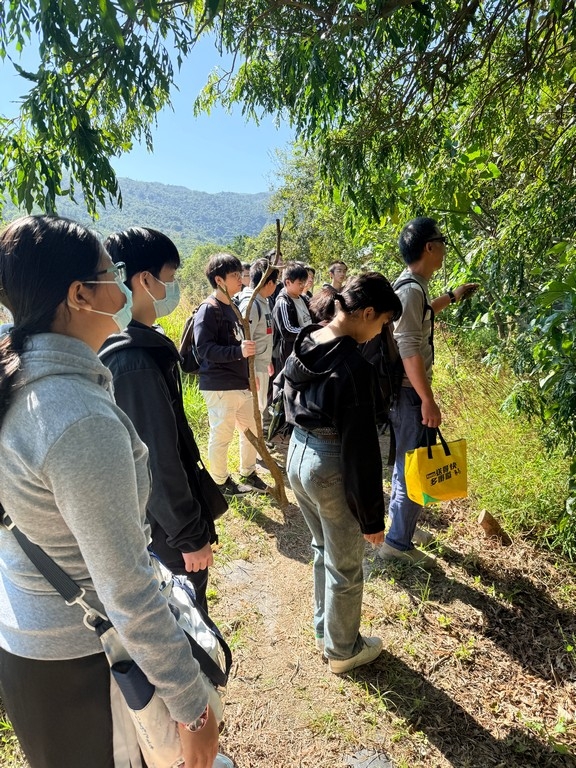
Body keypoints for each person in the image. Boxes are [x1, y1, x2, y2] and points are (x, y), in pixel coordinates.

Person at [0, 215, 219, 768]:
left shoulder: (20, 382)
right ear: (79, 294)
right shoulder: (77, 419)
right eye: (111, 273)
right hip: (84, 660)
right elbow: (125, 586)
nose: (121, 287)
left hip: (34, 641)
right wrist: (192, 707)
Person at [283, 272, 402, 674]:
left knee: (322, 548)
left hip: (298, 454)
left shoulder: (309, 339)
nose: (380, 331)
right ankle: (343, 650)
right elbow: (361, 450)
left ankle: (325, 630)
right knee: (347, 566)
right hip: (329, 463)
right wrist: (372, 518)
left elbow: (287, 390)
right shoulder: (354, 367)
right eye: (383, 322)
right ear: (367, 313)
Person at [99, 227, 218, 612]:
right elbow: (156, 459)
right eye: (171, 277)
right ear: (145, 280)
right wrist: (189, 536)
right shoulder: (133, 360)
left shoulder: (138, 341)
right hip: (164, 534)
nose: (174, 287)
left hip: (160, 526)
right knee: (187, 620)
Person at [381, 217, 479, 566]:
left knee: (407, 463)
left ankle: (403, 528)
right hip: (410, 394)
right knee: (415, 464)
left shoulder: (413, 287)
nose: (445, 248)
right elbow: (408, 348)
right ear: (429, 247)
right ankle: (397, 543)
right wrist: (427, 400)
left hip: (407, 393)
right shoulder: (410, 290)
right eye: (442, 241)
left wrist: (452, 296)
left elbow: (422, 314)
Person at [194, 252, 267, 496]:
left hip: (240, 383)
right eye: (235, 275)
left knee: (251, 431)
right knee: (222, 435)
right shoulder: (209, 309)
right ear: (219, 280)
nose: (240, 279)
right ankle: (220, 482)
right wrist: (238, 352)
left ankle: (248, 472)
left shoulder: (233, 307)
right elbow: (204, 349)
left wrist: (249, 375)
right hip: (219, 385)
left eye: (240, 274)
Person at [237, 257, 279, 419]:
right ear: (269, 283)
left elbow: (262, 335)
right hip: (255, 369)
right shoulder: (251, 305)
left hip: (262, 365)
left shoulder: (263, 301)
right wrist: (251, 373)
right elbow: (244, 340)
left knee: (259, 410)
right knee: (254, 413)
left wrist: (268, 361)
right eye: (276, 282)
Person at [272, 261, 312, 371]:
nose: (303, 286)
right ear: (288, 282)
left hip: (305, 351)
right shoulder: (283, 303)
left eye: (304, 282)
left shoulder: (304, 299)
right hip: (291, 357)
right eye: (300, 283)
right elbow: (288, 331)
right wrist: (311, 331)